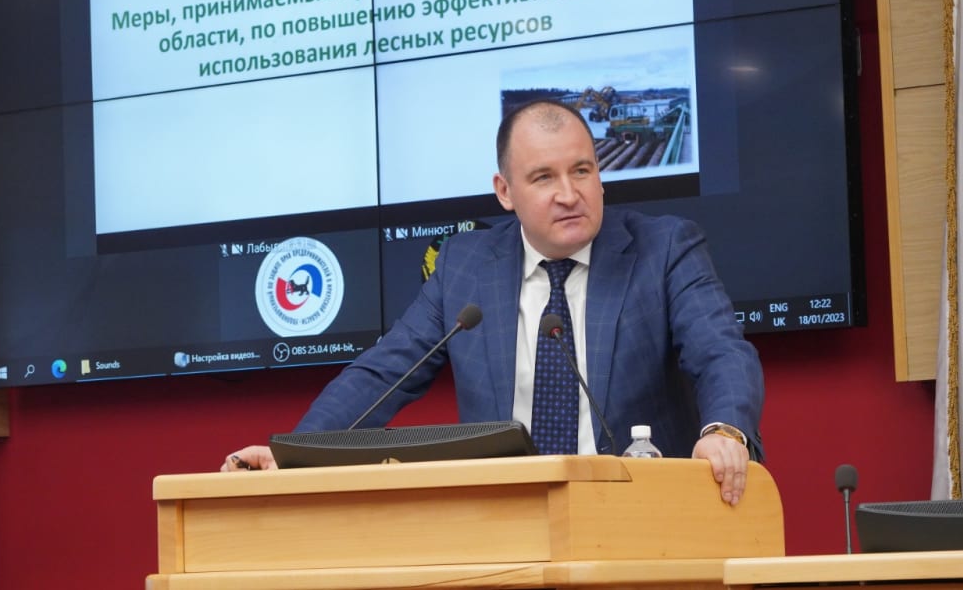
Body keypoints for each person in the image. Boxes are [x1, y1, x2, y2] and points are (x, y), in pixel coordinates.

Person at [224, 99, 764, 506]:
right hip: (507, 515)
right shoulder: (465, 266)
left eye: (581, 170)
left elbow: (720, 351)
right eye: (543, 177)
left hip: (636, 509)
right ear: (505, 192)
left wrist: (724, 430)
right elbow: (385, 372)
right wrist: (297, 454)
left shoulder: (663, 248)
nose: (569, 193)